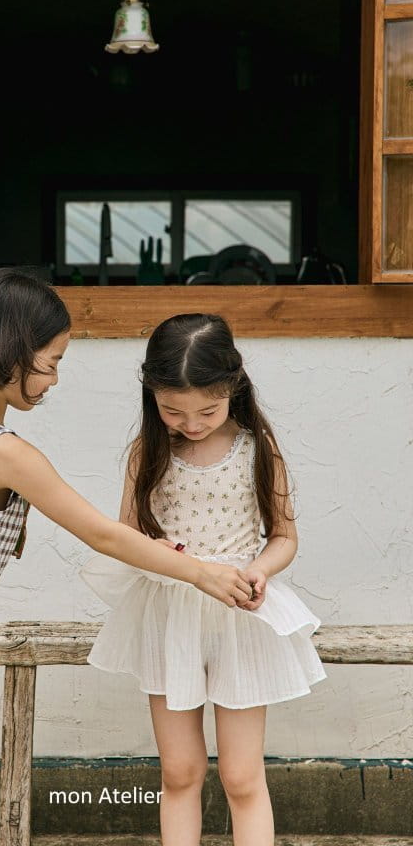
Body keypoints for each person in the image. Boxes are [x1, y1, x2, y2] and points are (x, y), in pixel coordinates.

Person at [0, 272, 254, 846]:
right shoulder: (6, 452)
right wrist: (204, 573)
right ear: (9, 352)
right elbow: (106, 535)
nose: (54, 379)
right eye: (50, 361)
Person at [80, 312, 326, 846]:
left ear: (233, 389)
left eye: (207, 411)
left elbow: (284, 537)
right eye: (173, 411)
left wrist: (259, 569)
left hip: (241, 617)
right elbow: (128, 535)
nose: (191, 424)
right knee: (180, 771)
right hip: (170, 616)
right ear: (152, 396)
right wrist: (158, 551)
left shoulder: (258, 449)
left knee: (241, 775)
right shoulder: (148, 452)